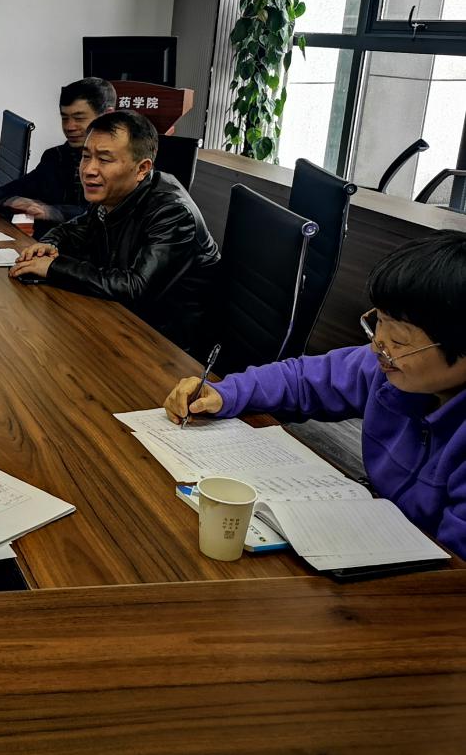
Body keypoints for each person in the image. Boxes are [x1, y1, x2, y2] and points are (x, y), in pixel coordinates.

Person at [163, 232, 466, 557]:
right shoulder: (384, 369)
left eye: (400, 340)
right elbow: (302, 379)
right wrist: (224, 393)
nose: (378, 347)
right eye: (378, 323)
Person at [10, 110, 219, 354]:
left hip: (168, 349)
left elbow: (134, 287)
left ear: (142, 168)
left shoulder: (173, 213)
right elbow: (75, 228)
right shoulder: (114, 193)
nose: (89, 169)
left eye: (104, 160)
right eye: (86, 156)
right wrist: (50, 244)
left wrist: (53, 267)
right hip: (121, 323)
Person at [0, 77, 116, 235]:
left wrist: (51, 212)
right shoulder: (56, 157)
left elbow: (107, 213)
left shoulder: (121, 164)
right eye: (64, 118)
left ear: (107, 116)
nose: (69, 127)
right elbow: (16, 188)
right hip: (43, 248)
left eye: (79, 118)